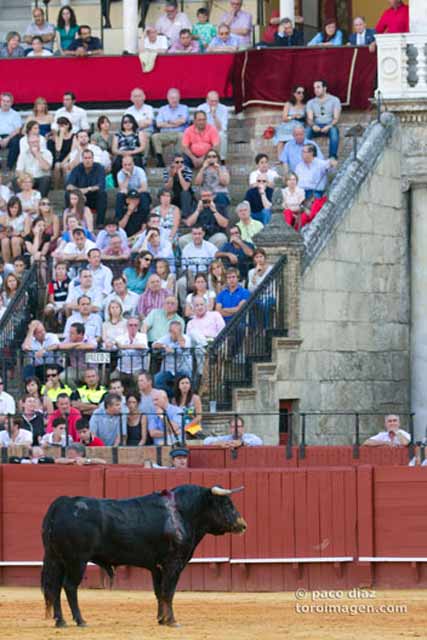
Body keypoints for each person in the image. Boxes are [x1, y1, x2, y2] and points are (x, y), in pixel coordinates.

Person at [177, 225, 217, 306]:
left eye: (199, 234)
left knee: (211, 279)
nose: (197, 236)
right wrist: (192, 279)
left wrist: (205, 276)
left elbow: (215, 264)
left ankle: (212, 305)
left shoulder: (210, 247)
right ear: (192, 235)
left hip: (207, 274)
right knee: (181, 283)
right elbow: (185, 267)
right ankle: (184, 307)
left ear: (203, 234)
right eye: (195, 234)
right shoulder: (187, 248)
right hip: (192, 275)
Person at [66, 150, 107, 226]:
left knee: (102, 194)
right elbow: (69, 186)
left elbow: (101, 185)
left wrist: (88, 189)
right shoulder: (77, 168)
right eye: (85, 158)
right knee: (68, 194)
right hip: (80, 198)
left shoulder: (99, 168)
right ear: (82, 159)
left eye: (89, 158)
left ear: (93, 158)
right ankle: (70, 220)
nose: (87, 160)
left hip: (94, 198)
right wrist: (79, 191)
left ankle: (100, 223)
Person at [153, 321, 193, 397]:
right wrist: (164, 346)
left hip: (183, 368)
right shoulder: (167, 337)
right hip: (168, 369)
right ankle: (170, 396)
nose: (174, 333)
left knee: (186, 382)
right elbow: (154, 345)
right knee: (156, 380)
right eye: (172, 331)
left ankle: (180, 398)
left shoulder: (186, 338)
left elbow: (184, 348)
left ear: (181, 331)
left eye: (177, 331)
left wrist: (178, 338)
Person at [152, 88, 189, 167]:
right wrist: (174, 123)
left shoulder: (184, 108)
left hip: (178, 133)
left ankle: (177, 158)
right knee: (155, 137)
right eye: (172, 98)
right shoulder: (162, 109)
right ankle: (160, 160)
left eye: (176, 98)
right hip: (165, 134)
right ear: (168, 98)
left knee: (182, 136)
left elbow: (182, 121)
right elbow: (158, 124)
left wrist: (167, 122)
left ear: (179, 98)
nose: (174, 100)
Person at [306, 80, 341, 160]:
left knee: (334, 132)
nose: (316, 90)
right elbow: (310, 119)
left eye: (318, 87)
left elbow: (336, 118)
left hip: (330, 125)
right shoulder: (311, 102)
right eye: (314, 88)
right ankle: (306, 155)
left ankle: (332, 157)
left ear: (325, 88)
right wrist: (313, 125)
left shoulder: (335, 100)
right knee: (307, 131)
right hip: (316, 125)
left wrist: (328, 126)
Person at [116, 157, 151, 233]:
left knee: (144, 196)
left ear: (133, 164)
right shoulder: (120, 173)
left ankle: (145, 221)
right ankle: (118, 219)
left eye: (129, 165)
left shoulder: (140, 171)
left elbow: (144, 187)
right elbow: (123, 190)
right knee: (119, 196)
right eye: (125, 165)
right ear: (122, 165)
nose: (127, 167)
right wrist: (127, 177)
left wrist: (134, 194)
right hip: (127, 196)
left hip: (139, 194)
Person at [57, 322, 97, 387]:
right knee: (63, 377)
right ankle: (76, 392)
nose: (70, 335)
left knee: (94, 376)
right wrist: (77, 344)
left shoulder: (90, 338)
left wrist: (72, 346)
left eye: (72, 333)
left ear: (80, 334)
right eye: (69, 333)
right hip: (75, 369)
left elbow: (92, 346)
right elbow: (61, 346)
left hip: (90, 368)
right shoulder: (69, 339)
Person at [273, 86, 307, 157]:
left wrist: (302, 117)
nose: (301, 94)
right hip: (287, 125)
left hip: (299, 126)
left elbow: (307, 118)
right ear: (294, 94)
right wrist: (293, 116)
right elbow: (284, 118)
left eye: (303, 93)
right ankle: (281, 159)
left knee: (296, 140)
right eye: (299, 92)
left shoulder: (305, 105)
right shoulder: (288, 104)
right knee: (281, 141)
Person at [124, 87, 155, 163]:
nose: (137, 98)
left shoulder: (149, 108)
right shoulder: (128, 110)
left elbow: (149, 122)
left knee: (144, 136)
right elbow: (125, 125)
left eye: (139, 96)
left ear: (144, 97)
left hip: (146, 132)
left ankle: (144, 160)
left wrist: (134, 123)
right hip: (132, 133)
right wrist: (142, 122)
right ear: (131, 98)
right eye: (135, 96)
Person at [114, 316, 149, 381]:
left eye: (135, 325)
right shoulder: (121, 337)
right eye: (130, 325)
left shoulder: (142, 336)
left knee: (140, 380)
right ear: (127, 326)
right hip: (121, 369)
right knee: (112, 378)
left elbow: (143, 346)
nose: (133, 327)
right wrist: (110, 344)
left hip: (138, 370)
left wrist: (122, 346)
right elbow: (113, 344)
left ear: (139, 327)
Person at [197, 91, 229, 162]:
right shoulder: (200, 108)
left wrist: (214, 116)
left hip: (217, 132)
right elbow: (198, 125)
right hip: (204, 132)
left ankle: (222, 159)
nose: (214, 103)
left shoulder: (224, 109)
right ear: (207, 100)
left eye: (216, 101)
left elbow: (221, 128)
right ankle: (203, 159)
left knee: (222, 135)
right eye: (212, 101)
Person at [0, 92, 22, 171]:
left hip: (10, 137)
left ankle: (9, 166)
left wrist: (7, 139)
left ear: (11, 103)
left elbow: (17, 130)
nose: (5, 103)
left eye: (8, 101)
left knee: (16, 141)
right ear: (0, 101)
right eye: (3, 101)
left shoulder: (15, 114)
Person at [0, 197, 25, 263]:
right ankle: (7, 266)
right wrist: (4, 233)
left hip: (20, 238)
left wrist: (18, 233)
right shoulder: (3, 217)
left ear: (19, 208)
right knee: (4, 241)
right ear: (8, 208)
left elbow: (27, 233)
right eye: (11, 207)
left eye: (15, 207)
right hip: (7, 237)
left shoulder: (25, 216)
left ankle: (17, 264)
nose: (13, 210)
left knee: (14, 240)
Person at [51, 117, 74, 189]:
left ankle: (66, 188)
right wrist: (61, 134)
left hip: (69, 157)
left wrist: (65, 161)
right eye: (59, 126)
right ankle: (56, 188)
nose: (61, 127)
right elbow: (58, 148)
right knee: (57, 166)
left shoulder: (73, 136)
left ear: (68, 125)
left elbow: (72, 151)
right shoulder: (57, 136)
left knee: (65, 166)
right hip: (60, 156)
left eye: (63, 125)